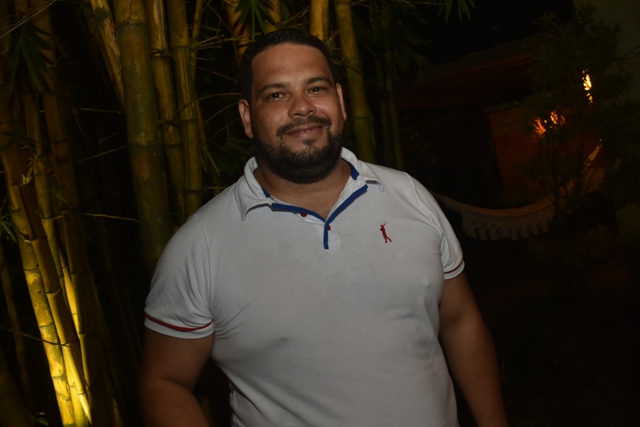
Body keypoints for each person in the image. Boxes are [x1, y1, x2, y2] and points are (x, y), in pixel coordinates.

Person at [139, 29, 508, 427]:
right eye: (276, 95)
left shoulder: (409, 196)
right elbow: (164, 381)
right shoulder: (201, 246)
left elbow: (460, 321)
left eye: (316, 88)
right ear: (247, 117)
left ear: (341, 101)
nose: (302, 107)